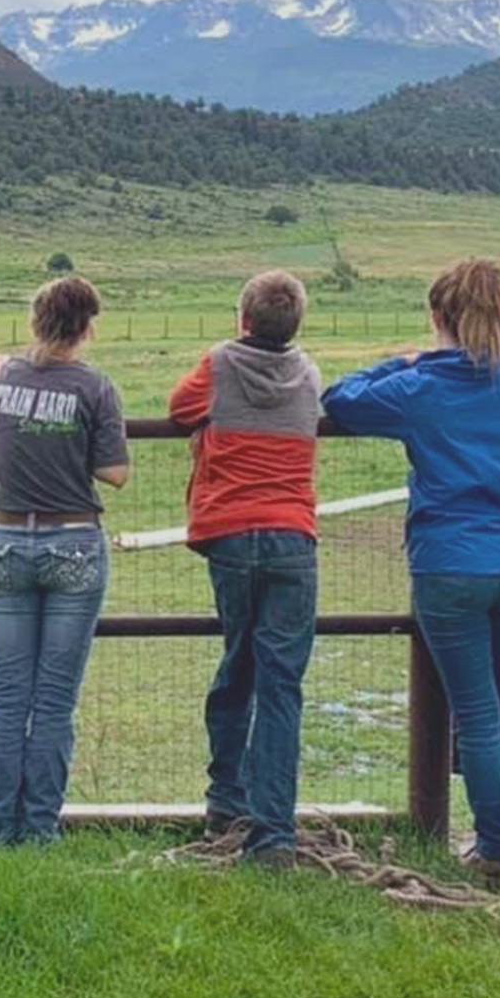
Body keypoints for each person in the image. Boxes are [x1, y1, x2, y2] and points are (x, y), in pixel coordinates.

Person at [322, 258, 500, 905]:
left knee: (475, 713)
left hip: (451, 563)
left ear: (438, 316)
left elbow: (339, 399)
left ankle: (496, 852)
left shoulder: (419, 388)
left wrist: (401, 363)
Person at [169, 270, 321, 868]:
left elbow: (179, 410)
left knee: (238, 665)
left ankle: (225, 802)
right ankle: (274, 835)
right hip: (291, 538)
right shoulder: (309, 373)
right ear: (295, 324)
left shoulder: (219, 363)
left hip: (230, 533)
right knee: (282, 685)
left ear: (244, 319)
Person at [0, 276, 129, 845]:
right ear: (88, 328)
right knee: (54, 699)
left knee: (8, 695)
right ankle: (40, 830)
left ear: (34, 323)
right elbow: (115, 473)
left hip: (9, 541)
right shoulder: (96, 388)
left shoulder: (9, 376)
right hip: (73, 543)